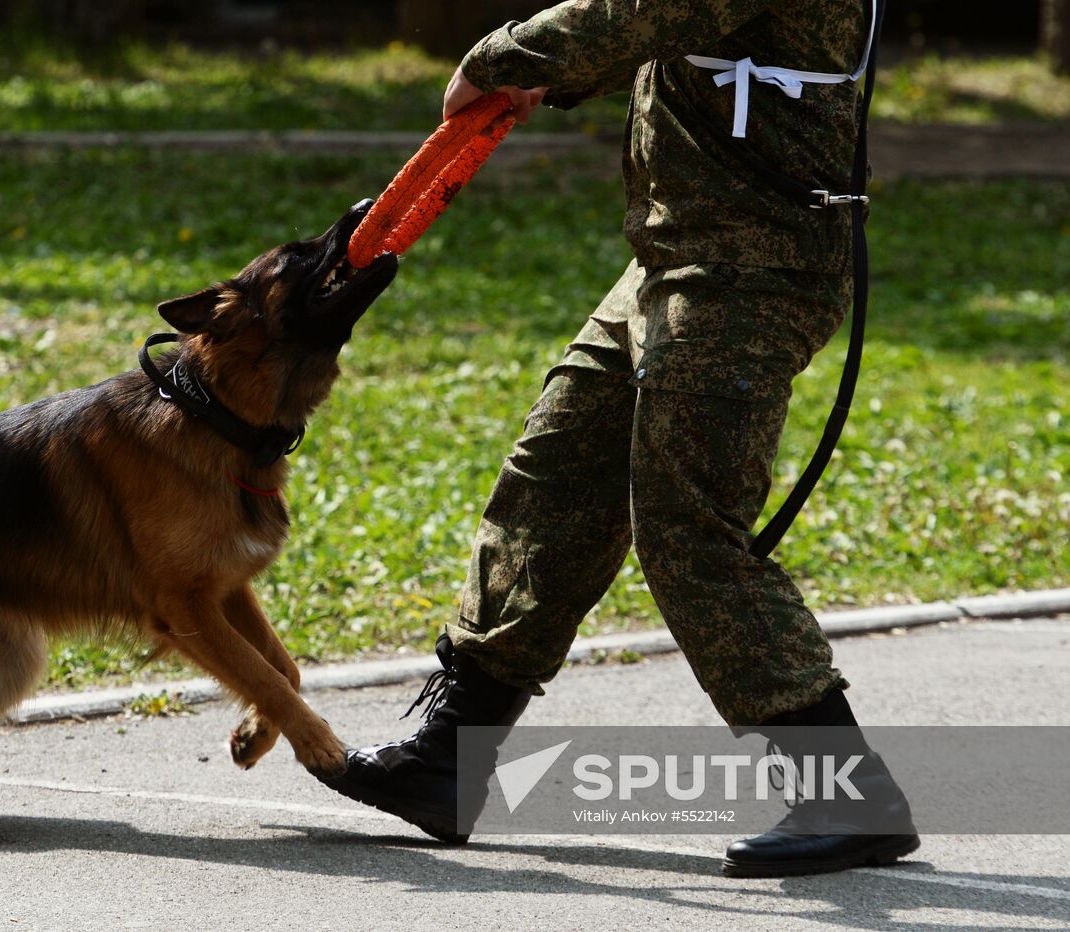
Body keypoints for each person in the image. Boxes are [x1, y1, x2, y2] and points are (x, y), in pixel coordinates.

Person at [318, 0, 919, 877]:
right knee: (554, 481)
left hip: (750, 273)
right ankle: (450, 757)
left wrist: (503, 59)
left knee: (690, 525)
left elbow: (643, 10)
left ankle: (846, 793)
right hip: (673, 257)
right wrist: (547, 74)